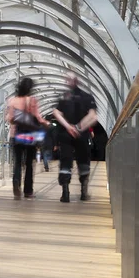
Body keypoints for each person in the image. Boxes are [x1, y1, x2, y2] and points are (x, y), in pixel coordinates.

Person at [53, 72, 97, 202]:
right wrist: (79, 128)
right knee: (83, 160)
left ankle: (65, 193)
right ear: (78, 81)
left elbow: (56, 112)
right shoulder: (87, 97)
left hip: (65, 134)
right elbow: (93, 116)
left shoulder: (63, 97)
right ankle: (84, 191)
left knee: (65, 160)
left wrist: (68, 127)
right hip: (82, 134)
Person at [7, 78, 50, 199]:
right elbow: (38, 117)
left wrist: (19, 119)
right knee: (29, 164)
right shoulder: (32, 100)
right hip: (30, 136)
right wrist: (46, 123)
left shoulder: (12, 100)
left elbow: (10, 119)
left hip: (16, 135)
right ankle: (28, 191)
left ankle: (16, 182)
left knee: (17, 162)